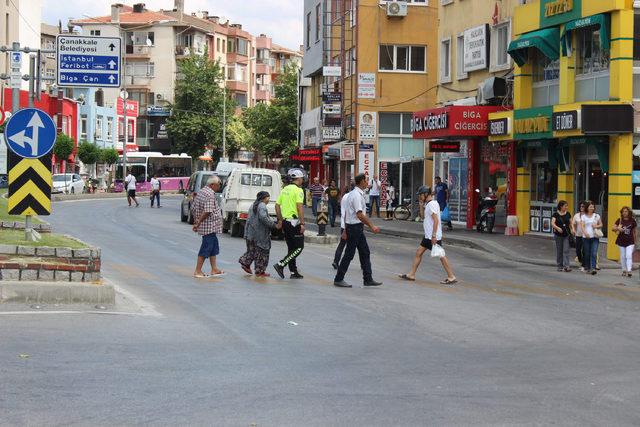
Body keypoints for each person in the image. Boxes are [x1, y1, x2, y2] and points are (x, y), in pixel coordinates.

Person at [399, 186, 457, 284]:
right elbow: (422, 216)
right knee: (419, 253)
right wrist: (421, 205)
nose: (420, 197)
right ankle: (411, 274)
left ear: (425, 194)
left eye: (421, 195)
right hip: (428, 236)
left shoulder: (432, 204)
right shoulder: (429, 204)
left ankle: (451, 276)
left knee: (441, 255)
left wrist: (434, 235)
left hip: (432, 236)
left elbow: (436, 220)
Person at [333, 174, 382, 288]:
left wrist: (345, 230)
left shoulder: (356, 194)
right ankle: (339, 278)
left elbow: (346, 215)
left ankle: (368, 278)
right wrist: (372, 226)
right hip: (354, 228)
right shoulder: (356, 196)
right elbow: (359, 215)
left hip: (355, 227)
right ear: (361, 182)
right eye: (366, 180)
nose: (367, 183)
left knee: (365, 252)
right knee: (349, 254)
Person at [274, 170, 306, 279]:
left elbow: (277, 206)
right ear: (299, 179)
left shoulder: (285, 189)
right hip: (294, 222)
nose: (302, 180)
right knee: (299, 248)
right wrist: (302, 223)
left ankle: (293, 272)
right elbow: (299, 207)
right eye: (302, 178)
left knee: (291, 247)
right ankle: (281, 264)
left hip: (286, 222)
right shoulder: (299, 190)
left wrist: (280, 220)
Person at [239, 191, 279, 277]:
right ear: (264, 198)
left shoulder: (253, 205)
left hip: (251, 233)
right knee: (262, 252)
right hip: (260, 234)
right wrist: (273, 225)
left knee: (253, 251)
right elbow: (263, 217)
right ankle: (259, 270)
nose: (269, 199)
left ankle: (246, 263)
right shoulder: (262, 206)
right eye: (268, 197)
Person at [191, 176, 225, 278]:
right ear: (212, 185)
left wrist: (196, 220)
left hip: (210, 226)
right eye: (218, 185)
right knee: (206, 247)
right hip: (209, 226)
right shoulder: (210, 194)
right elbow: (208, 210)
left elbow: (193, 208)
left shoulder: (202, 191)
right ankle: (198, 270)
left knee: (213, 247)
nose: (219, 187)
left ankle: (214, 269)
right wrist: (198, 222)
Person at [612, 206, 637, 277]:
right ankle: (624, 270)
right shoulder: (619, 220)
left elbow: (635, 232)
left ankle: (629, 270)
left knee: (628, 255)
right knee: (623, 256)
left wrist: (635, 242)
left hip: (630, 241)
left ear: (629, 212)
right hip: (621, 241)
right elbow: (613, 228)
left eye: (626, 211)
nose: (624, 213)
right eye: (623, 211)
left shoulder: (632, 220)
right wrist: (618, 228)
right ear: (621, 213)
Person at [580, 200, 603, 275]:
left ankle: (593, 268)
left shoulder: (596, 215)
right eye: (590, 207)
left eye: (593, 207)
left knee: (594, 253)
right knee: (587, 253)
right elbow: (582, 226)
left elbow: (601, 224)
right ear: (587, 207)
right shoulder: (583, 216)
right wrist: (585, 233)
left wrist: (596, 226)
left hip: (595, 237)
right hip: (586, 237)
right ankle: (588, 267)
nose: (592, 208)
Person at [552, 200, 572, 272]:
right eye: (565, 206)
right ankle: (560, 266)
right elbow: (553, 223)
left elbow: (571, 223)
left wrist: (573, 229)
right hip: (558, 235)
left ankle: (567, 266)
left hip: (566, 235)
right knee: (559, 250)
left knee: (566, 250)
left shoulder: (568, 214)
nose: (567, 207)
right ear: (561, 206)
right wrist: (557, 228)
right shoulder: (555, 214)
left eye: (567, 206)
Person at [332, 189, 351, 270]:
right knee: (358, 246)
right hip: (350, 224)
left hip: (343, 224)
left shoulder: (344, 197)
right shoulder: (352, 197)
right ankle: (363, 264)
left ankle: (336, 261)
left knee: (342, 244)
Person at [571, 201, 586, 271]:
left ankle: (584, 265)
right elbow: (573, 224)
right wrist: (573, 229)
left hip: (585, 235)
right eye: (580, 206)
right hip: (578, 235)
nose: (581, 207)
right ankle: (581, 261)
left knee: (584, 251)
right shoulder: (576, 215)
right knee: (578, 250)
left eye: (583, 206)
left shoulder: (587, 215)